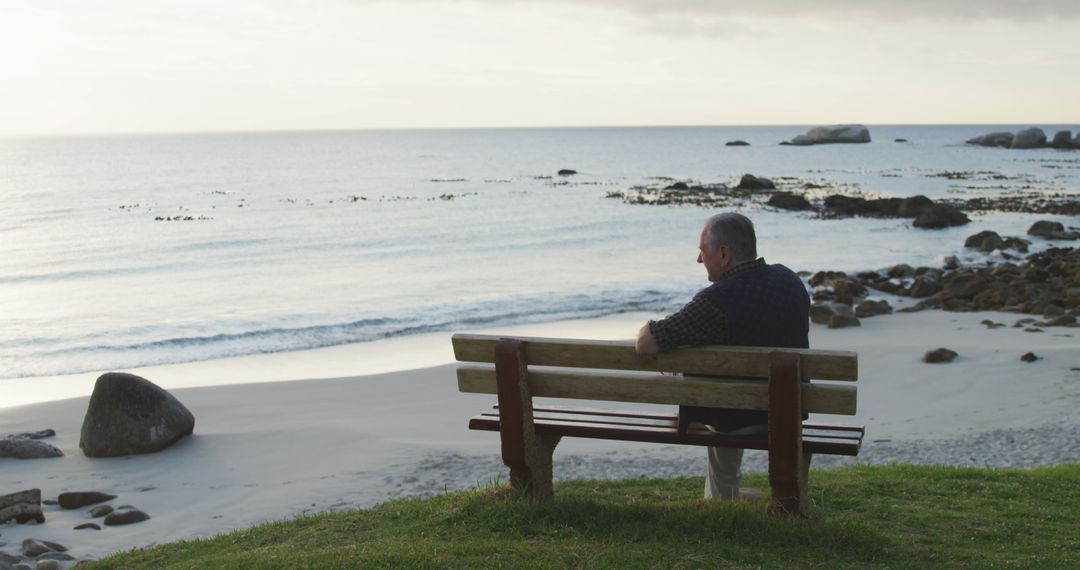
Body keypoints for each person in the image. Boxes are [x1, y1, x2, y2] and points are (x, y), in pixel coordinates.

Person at [635, 212, 810, 500]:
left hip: (733, 415)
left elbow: (647, 343)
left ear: (724, 254)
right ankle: (787, 498)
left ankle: (721, 499)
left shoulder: (715, 302)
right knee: (726, 387)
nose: (699, 259)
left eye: (703, 250)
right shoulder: (790, 280)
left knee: (718, 396)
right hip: (788, 406)